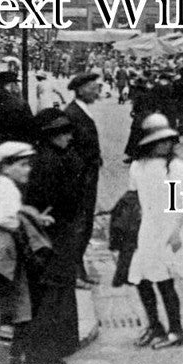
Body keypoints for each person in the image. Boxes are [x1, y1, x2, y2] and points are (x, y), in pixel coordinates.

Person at [0, 141, 53, 364]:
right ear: (6, 167)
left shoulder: (0, 188)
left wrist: (30, 216)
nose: (28, 170)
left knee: (6, 312)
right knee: (12, 317)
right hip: (6, 262)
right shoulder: (8, 192)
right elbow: (8, 221)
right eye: (22, 165)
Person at [127, 113, 183, 349]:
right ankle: (154, 325)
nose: (166, 144)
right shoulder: (138, 166)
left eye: (169, 140)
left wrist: (175, 232)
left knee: (164, 281)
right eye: (160, 141)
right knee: (140, 277)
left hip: (171, 226)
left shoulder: (175, 166)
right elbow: (135, 195)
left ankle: (176, 330)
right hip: (148, 226)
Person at [19, 110, 84, 364]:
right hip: (52, 236)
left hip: (56, 234)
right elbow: (57, 200)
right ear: (50, 135)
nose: (69, 137)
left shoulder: (54, 157)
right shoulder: (51, 162)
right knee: (50, 295)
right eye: (63, 133)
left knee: (52, 293)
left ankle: (50, 350)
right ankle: (43, 354)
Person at [65, 72, 104, 287]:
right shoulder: (73, 113)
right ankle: (74, 272)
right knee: (79, 225)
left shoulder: (82, 110)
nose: (96, 91)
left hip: (88, 177)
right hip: (81, 179)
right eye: (92, 87)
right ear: (80, 90)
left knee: (85, 223)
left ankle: (77, 268)